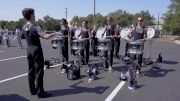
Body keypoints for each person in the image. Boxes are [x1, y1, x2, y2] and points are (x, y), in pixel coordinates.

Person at [22, 8, 55, 98]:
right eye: (34, 14)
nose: (35, 15)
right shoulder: (36, 27)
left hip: (29, 50)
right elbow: (46, 37)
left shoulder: (24, 27)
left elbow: (22, 36)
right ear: (31, 15)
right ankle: (40, 91)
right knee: (39, 71)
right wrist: (53, 34)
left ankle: (32, 90)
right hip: (36, 51)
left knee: (31, 70)